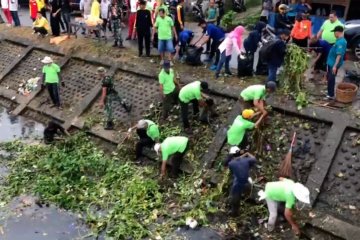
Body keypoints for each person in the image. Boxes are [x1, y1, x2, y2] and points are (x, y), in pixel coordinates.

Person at [224, 148, 256, 216]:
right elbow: (254, 159)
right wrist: (247, 154)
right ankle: (247, 196)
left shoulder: (231, 163)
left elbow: (227, 164)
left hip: (238, 184)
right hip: (247, 183)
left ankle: (234, 213)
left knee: (234, 197)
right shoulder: (246, 160)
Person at [325, 26, 347, 100]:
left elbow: (339, 55)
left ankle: (330, 95)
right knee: (329, 77)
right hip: (331, 62)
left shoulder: (341, 42)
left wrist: (335, 66)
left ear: (338, 32)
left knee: (331, 78)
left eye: (334, 32)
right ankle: (329, 91)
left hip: (333, 64)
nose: (334, 33)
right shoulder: (339, 40)